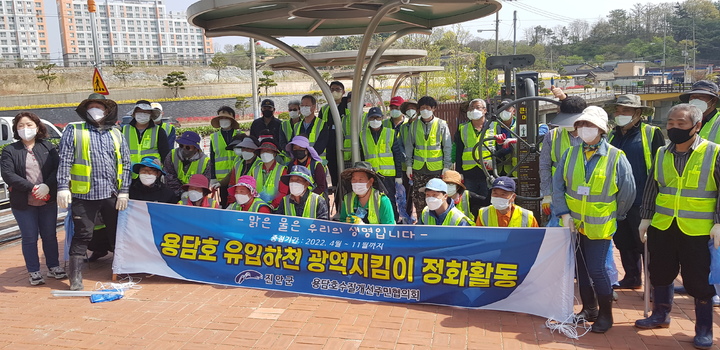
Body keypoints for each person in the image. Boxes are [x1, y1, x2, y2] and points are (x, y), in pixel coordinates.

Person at [635, 104, 720, 349]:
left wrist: (718, 222)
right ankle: (660, 314)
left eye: (681, 124)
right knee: (660, 271)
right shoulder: (662, 152)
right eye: (670, 123)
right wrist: (645, 217)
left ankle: (703, 329)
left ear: (697, 125)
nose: (674, 128)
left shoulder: (713, 152)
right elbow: (652, 187)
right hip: (663, 225)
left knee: (699, 280)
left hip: (698, 228)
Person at [553, 106, 636, 333]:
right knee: (580, 269)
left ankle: (606, 314)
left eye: (589, 125)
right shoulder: (570, 154)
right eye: (581, 125)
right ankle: (589, 309)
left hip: (600, 225)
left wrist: (613, 215)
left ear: (601, 129)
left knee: (597, 269)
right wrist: (564, 213)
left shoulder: (616, 157)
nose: (584, 129)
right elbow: (558, 186)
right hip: (574, 224)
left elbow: (628, 192)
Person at [57, 94, 131, 291]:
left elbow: (125, 163)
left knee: (117, 233)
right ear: (86, 111)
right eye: (92, 107)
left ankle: (120, 269)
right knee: (82, 234)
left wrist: (124, 191)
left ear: (107, 111)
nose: (95, 110)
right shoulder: (74, 130)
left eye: (99, 106)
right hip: (84, 194)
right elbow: (65, 160)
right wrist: (63, 187)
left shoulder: (116, 133)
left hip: (111, 194)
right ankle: (75, 277)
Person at [607, 94, 664, 290]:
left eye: (626, 111)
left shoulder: (651, 133)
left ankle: (654, 284)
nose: (620, 114)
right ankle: (631, 276)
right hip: (619, 199)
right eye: (618, 111)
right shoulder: (612, 135)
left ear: (638, 113)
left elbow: (661, 164)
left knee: (645, 244)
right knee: (623, 241)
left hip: (643, 199)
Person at [0, 112, 64, 285]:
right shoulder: (10, 150)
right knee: (29, 237)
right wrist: (33, 188)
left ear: (37, 127)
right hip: (23, 202)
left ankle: (53, 266)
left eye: (28, 125)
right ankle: (34, 271)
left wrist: (47, 186)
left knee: (50, 235)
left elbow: (57, 169)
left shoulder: (48, 147)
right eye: (20, 126)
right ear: (15, 129)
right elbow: (8, 174)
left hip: (46, 199)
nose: (25, 129)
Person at [539, 95, 587, 226]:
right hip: (559, 194)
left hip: (584, 194)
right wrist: (547, 194)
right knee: (558, 232)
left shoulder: (593, 135)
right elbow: (544, 166)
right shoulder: (552, 135)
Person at [405, 96, 452, 220]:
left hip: (436, 169)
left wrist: (446, 166)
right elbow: (409, 145)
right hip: (419, 169)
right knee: (419, 199)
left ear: (433, 109)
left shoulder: (441, 124)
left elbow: (447, 146)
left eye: (427, 108)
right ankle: (422, 223)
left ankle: (438, 222)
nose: (424, 110)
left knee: (437, 199)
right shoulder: (414, 125)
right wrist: (409, 165)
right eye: (422, 108)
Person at [360, 106, 404, 220]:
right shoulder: (362, 135)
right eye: (372, 118)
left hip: (388, 175)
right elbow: (361, 156)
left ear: (382, 118)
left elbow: (397, 155)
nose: (375, 121)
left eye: (378, 118)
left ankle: (393, 221)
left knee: (390, 199)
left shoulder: (390, 133)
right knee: (372, 199)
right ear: (368, 119)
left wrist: (399, 175)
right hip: (371, 174)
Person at [453, 98, 495, 208]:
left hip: (488, 173)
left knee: (488, 203)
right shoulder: (463, 128)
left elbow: (500, 148)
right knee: (468, 202)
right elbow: (459, 152)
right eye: (471, 108)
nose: (474, 110)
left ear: (485, 110)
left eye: (477, 107)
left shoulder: (495, 127)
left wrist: (494, 162)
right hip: (469, 173)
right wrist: (459, 172)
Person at [274, 135, 328, 208]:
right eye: (295, 148)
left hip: (315, 202)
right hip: (295, 201)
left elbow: (322, 186)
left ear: (307, 150)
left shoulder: (316, 165)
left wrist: (307, 197)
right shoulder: (291, 165)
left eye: (300, 148)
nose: (297, 150)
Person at [122, 100, 169, 178]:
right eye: (139, 112)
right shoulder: (124, 130)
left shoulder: (159, 131)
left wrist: (162, 170)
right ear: (134, 114)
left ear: (151, 114)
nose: (142, 115)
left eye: (146, 112)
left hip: (151, 174)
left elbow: (166, 155)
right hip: (129, 175)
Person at [320, 81, 351, 186]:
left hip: (346, 150)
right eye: (332, 89)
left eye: (337, 89)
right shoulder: (325, 109)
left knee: (347, 178)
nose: (334, 92)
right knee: (335, 178)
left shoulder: (348, 106)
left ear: (343, 92)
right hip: (330, 148)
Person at [164, 131, 212, 197]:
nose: (183, 149)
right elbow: (169, 176)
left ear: (196, 148)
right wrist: (181, 192)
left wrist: (191, 194)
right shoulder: (172, 155)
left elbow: (204, 184)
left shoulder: (205, 162)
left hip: (195, 196)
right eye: (181, 146)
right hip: (173, 193)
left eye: (188, 147)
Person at [210, 106, 239, 206]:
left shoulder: (240, 135)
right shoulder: (214, 137)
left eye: (226, 118)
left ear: (232, 120)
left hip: (237, 176)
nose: (223, 120)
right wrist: (212, 177)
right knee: (224, 202)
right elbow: (212, 158)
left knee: (238, 201)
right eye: (221, 118)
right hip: (221, 179)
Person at [293, 95, 329, 160]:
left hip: (317, 162)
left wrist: (308, 157)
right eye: (302, 105)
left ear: (313, 107)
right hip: (301, 162)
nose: (304, 108)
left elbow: (321, 145)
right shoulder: (296, 126)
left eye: (306, 106)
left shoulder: (322, 124)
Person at [493, 99, 517, 177]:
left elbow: (542, 128)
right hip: (498, 169)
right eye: (502, 109)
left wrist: (516, 140)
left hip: (515, 169)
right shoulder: (494, 126)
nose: (504, 111)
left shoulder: (520, 125)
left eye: (507, 109)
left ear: (514, 111)